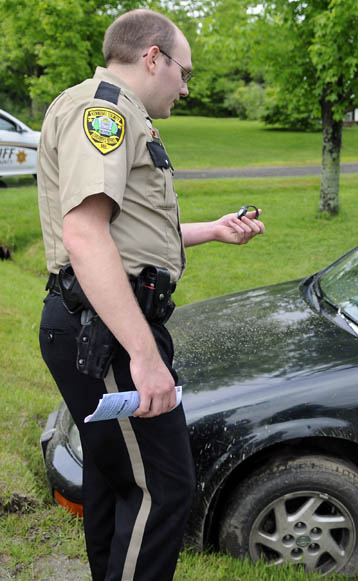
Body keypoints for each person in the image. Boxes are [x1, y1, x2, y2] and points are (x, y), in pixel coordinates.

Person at [36, 9, 265, 580]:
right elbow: (85, 236)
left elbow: (123, 234)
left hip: (96, 321)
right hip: (109, 330)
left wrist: (211, 230)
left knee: (116, 478)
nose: (186, 87)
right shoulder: (105, 113)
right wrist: (142, 355)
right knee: (163, 486)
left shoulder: (110, 109)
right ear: (153, 57)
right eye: (184, 73)